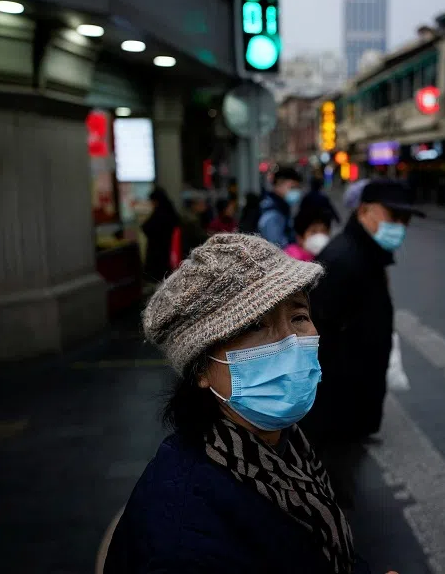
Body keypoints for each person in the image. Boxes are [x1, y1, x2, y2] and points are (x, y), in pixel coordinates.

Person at [103, 234, 386, 574]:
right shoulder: (183, 543)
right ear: (202, 369)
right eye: (255, 325)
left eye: (298, 317)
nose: (292, 341)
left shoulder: (281, 444)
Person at [299, 180, 425, 502]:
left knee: (342, 476)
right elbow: (314, 339)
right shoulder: (345, 260)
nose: (401, 227)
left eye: (406, 220)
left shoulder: (368, 254)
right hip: (336, 410)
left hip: (350, 405)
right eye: (394, 217)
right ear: (364, 211)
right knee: (333, 488)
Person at [141, 187, 179, 283]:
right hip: (169, 251)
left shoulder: (159, 213)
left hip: (159, 252)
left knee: (158, 277)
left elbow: (146, 228)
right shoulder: (170, 211)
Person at [259, 167, 303, 248]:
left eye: (297, 188)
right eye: (292, 187)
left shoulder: (281, 207)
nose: (295, 192)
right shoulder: (272, 212)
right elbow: (276, 246)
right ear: (279, 183)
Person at [180, 190, 210, 258]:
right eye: (201, 204)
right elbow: (200, 236)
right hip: (189, 253)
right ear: (194, 205)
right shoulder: (191, 220)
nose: (204, 206)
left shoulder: (193, 216)